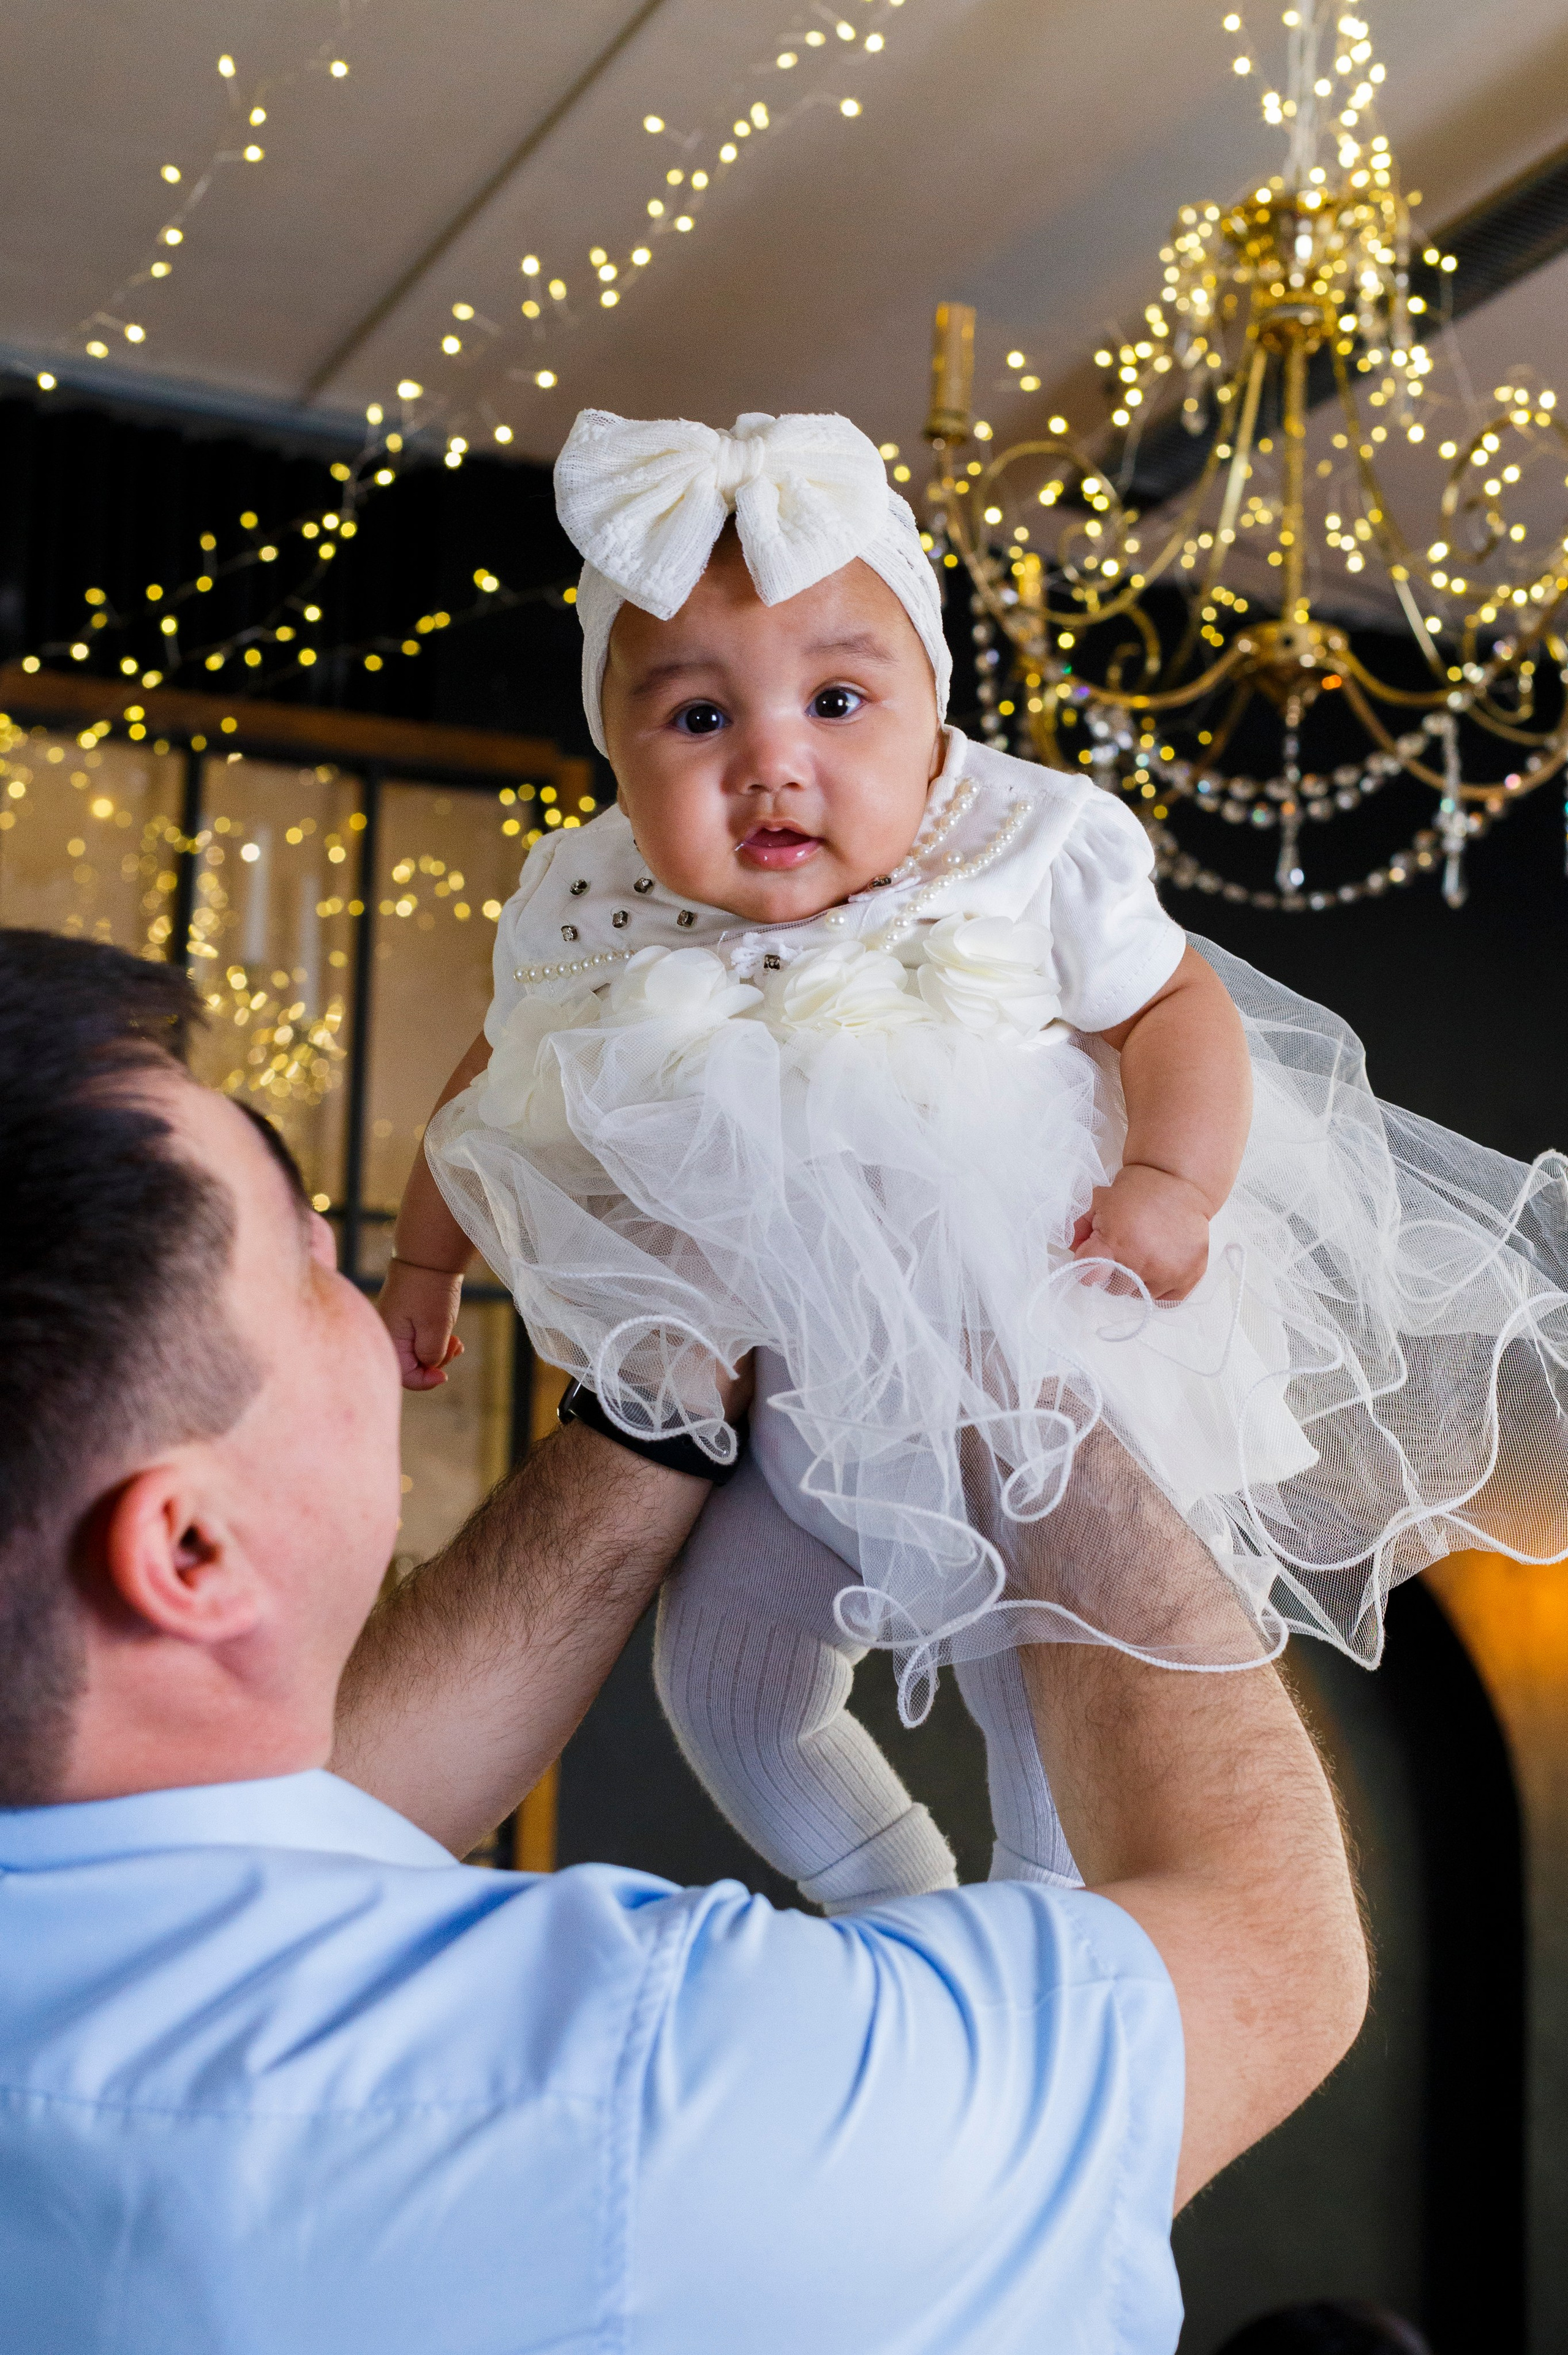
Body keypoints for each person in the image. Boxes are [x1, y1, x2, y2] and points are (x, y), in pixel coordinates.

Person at [0, 926, 1365, 2351]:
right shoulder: (633, 2097)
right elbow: (1260, 1960)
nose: (359, 1290)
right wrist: (1008, 1355)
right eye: (303, 1271)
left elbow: (337, 1805)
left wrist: (655, 1405)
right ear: (190, 1552)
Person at [382, 404, 1568, 1916]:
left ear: (933, 706)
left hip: (1013, 1346)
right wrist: (430, 1256)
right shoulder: (591, 897)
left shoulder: (1022, 841)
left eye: (835, 701)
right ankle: (893, 1900)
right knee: (725, 1690)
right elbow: (497, 1075)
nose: (770, 766)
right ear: (613, 754)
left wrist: (1171, 1184)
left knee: (1051, 1674)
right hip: (772, 1387)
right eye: (694, 721)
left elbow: (1169, 1006)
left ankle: (1037, 1915)